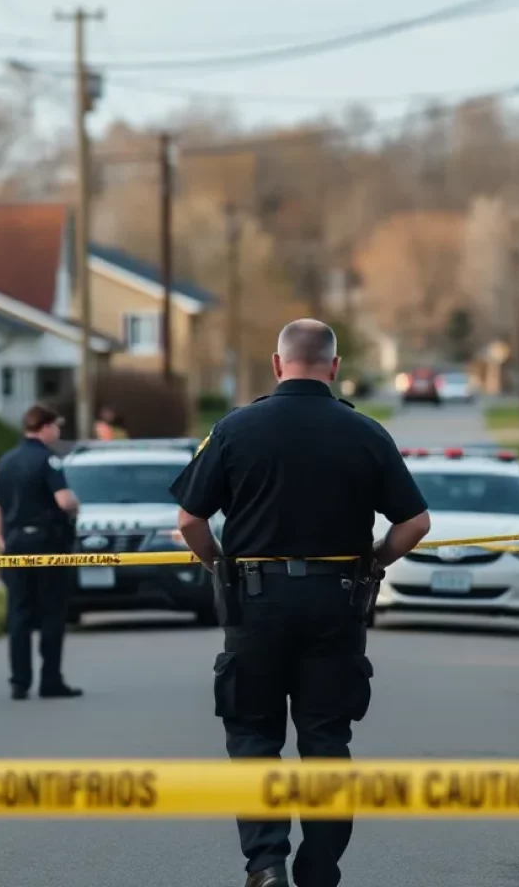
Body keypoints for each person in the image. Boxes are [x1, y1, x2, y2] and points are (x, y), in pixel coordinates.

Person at [169, 319, 431, 887]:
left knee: (254, 737)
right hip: (335, 604)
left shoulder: (235, 429)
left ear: (276, 363)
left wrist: (219, 565)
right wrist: (376, 560)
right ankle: (319, 869)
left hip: (255, 603)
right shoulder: (366, 433)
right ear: (334, 367)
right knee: (326, 742)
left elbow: (190, 519)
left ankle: (266, 863)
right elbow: (415, 522)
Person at [0, 404, 83, 700]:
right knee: (52, 613)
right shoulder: (48, 460)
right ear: (44, 427)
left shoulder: (6, 460)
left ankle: (19, 681)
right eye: (56, 425)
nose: (58, 431)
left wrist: (2, 540)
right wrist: (77, 506)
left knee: (18, 614)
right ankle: (51, 680)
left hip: (15, 544)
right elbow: (64, 501)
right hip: (47, 545)